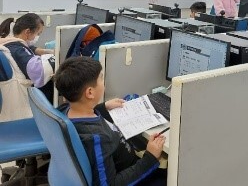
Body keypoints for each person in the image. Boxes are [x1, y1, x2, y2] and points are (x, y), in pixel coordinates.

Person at [54, 56, 167, 186]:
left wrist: (102, 107)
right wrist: (150, 158)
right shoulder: (96, 138)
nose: (103, 81)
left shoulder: (64, 110)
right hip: (134, 174)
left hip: (126, 160)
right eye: (101, 78)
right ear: (90, 92)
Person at [0, 14, 55, 101]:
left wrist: (45, 51)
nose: (37, 37)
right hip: (24, 95)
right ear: (27, 32)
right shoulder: (17, 49)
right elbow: (38, 69)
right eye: (38, 33)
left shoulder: (11, 43)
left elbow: (30, 48)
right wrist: (55, 59)